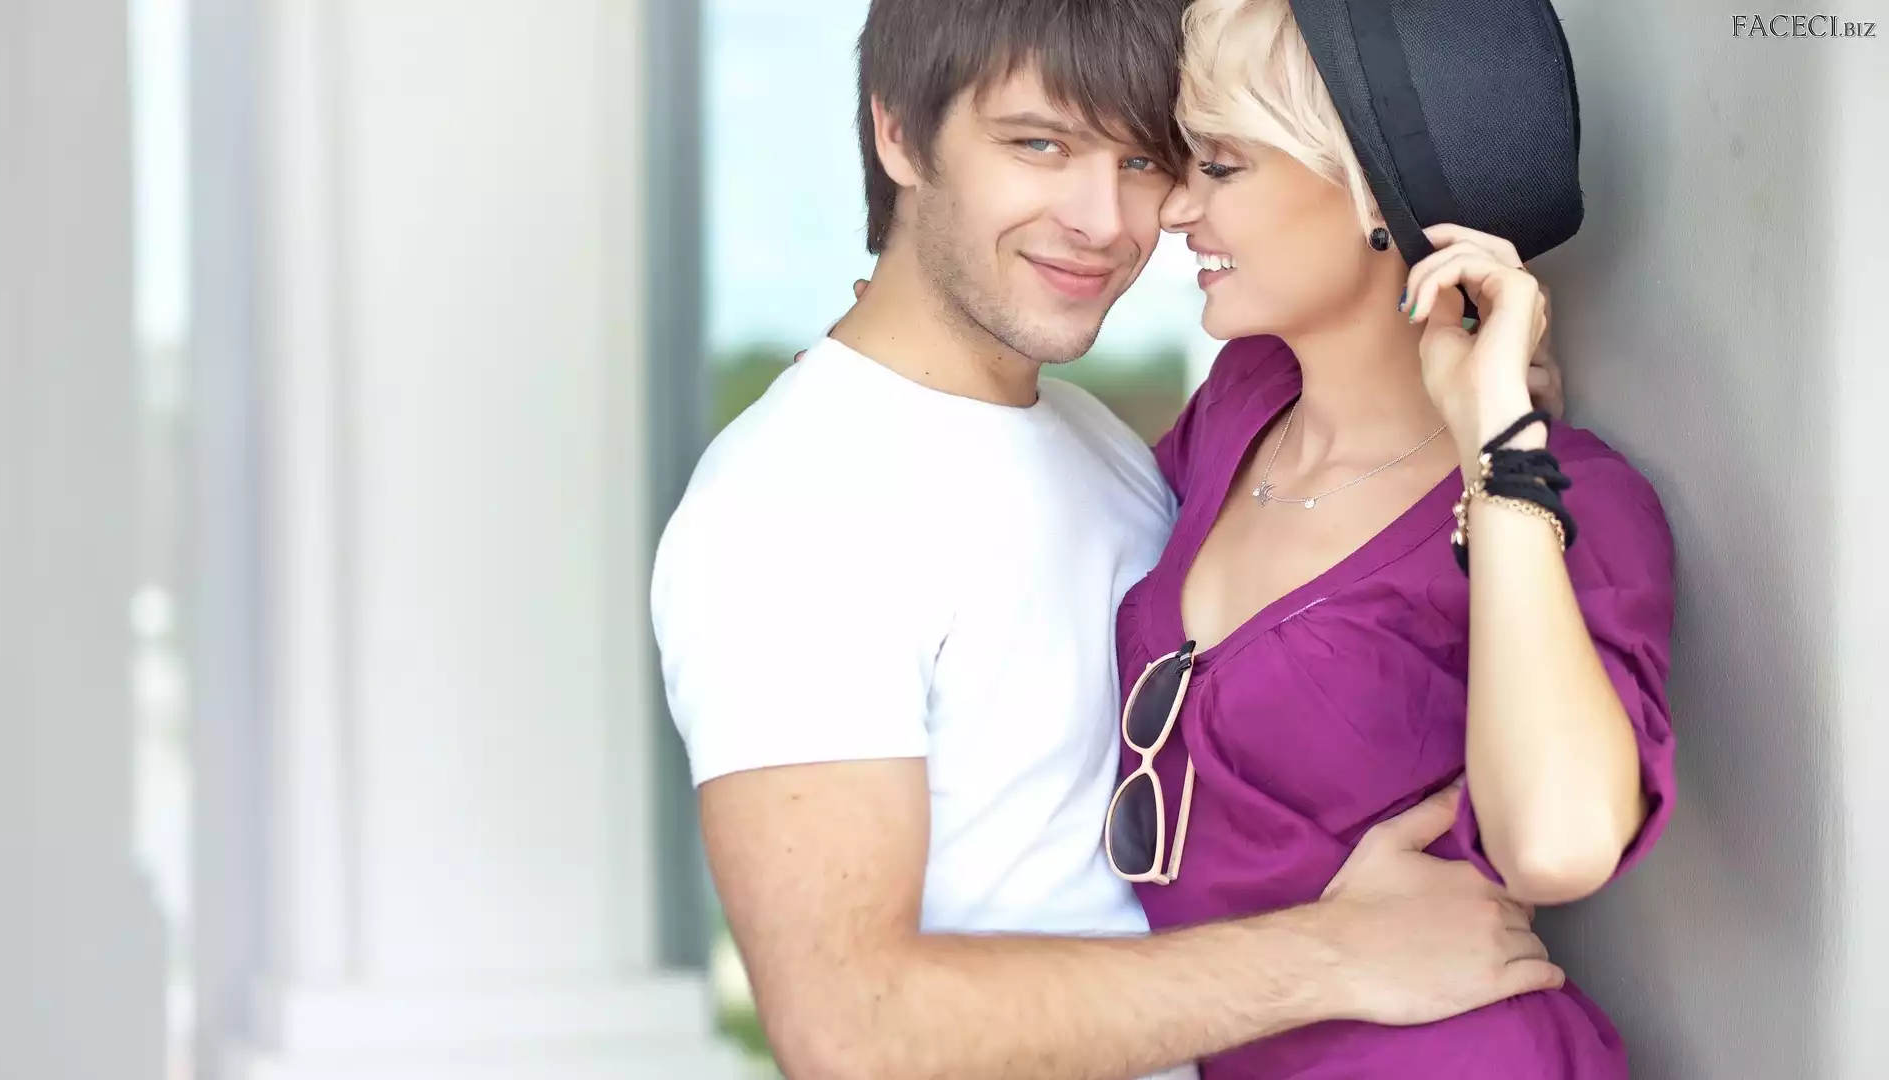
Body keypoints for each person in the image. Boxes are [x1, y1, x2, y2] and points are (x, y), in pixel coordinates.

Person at [651, 2, 1567, 1078]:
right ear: (897, 132)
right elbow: (852, 1029)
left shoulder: (1108, 447)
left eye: (1141, 161)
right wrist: (1339, 956)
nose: (1104, 221)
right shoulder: (791, 507)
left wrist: (1467, 417)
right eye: (1039, 145)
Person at [1103, 0, 1678, 1076]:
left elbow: (1556, 846)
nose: (1177, 205)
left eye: (1221, 165)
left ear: (1375, 194)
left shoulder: (1579, 499)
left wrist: (1497, 445)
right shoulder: (1239, 405)